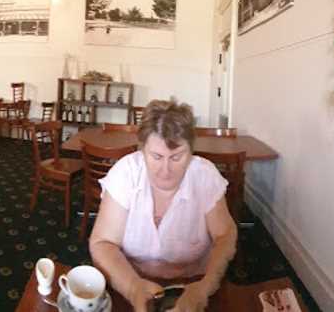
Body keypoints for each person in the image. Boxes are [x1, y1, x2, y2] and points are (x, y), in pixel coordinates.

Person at [89, 100, 237, 312]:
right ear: (142, 150)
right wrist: (132, 288)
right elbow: (102, 242)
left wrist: (205, 287)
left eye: (176, 157)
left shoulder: (204, 175)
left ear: (191, 152)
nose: (165, 170)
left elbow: (226, 235)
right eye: (156, 157)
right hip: (130, 279)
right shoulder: (125, 173)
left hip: (192, 284)